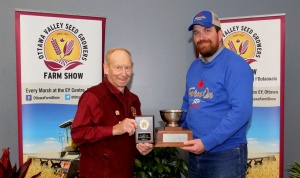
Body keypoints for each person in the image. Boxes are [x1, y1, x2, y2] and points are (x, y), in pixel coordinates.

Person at [179, 10, 254, 178]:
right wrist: (175, 128)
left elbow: (241, 112)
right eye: (197, 33)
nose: (201, 37)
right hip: (195, 152)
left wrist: (207, 142)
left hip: (226, 155)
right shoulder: (194, 67)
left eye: (207, 31)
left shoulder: (235, 65)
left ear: (220, 34)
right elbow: (187, 102)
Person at [71, 47, 153, 178]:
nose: (124, 73)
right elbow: (77, 134)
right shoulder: (93, 97)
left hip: (125, 172)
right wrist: (114, 129)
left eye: (127, 67)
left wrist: (144, 145)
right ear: (106, 68)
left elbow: (139, 133)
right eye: (118, 67)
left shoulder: (134, 100)